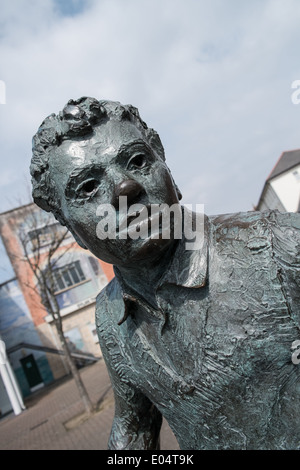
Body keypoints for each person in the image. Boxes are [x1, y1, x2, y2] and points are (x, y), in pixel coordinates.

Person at [30, 97, 300, 450]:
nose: (126, 188)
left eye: (138, 161)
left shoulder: (279, 244)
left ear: (167, 169)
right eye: (88, 188)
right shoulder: (110, 316)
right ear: (72, 229)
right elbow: (133, 428)